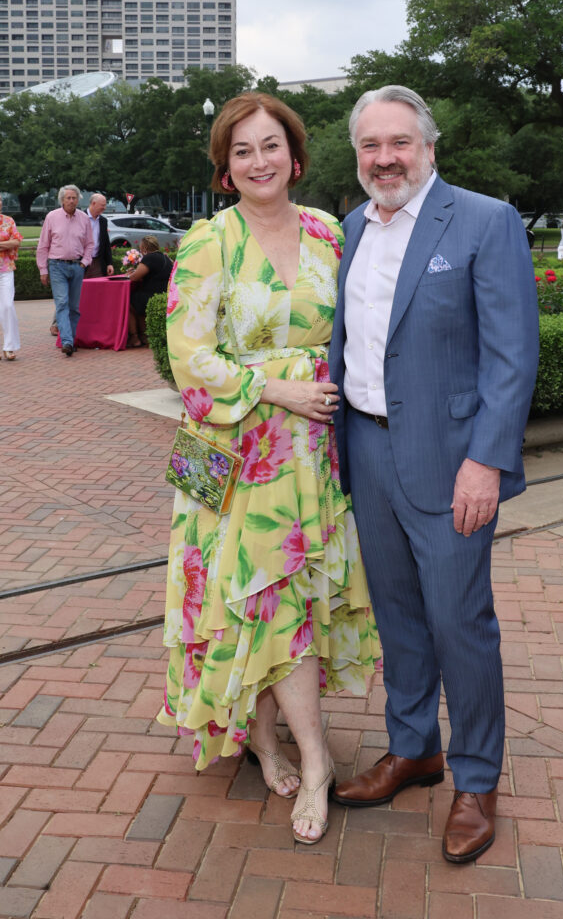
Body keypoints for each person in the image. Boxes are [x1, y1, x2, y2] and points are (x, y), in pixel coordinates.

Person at [157, 92, 379, 846]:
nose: (259, 162)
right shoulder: (207, 243)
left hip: (312, 457)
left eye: (270, 146)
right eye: (242, 152)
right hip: (235, 455)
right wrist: (273, 387)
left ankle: (277, 740)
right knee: (253, 600)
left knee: (286, 600)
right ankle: (305, 756)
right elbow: (188, 358)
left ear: (295, 154)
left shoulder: (328, 232)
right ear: (225, 169)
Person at [328, 86, 539, 864]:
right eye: (369, 147)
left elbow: (512, 358)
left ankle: (477, 778)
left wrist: (484, 461)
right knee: (397, 618)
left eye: (398, 143)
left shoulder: (484, 220)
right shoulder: (351, 226)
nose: (384, 159)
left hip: (452, 463)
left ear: (428, 146)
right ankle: (413, 749)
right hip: (367, 450)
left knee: (460, 624)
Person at [37, 185, 93, 356]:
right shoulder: (52, 217)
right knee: (62, 304)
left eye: (74, 198)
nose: (71, 201)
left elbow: (90, 244)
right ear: (62, 200)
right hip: (56, 266)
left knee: (74, 307)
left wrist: (84, 262)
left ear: (78, 200)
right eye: (68, 198)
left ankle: (70, 339)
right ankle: (67, 342)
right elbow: (43, 245)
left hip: (77, 266)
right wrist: (43, 270)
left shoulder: (84, 218)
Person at [125, 235, 173, 346]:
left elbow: (134, 278)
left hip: (151, 295)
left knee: (128, 303)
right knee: (137, 300)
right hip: (164, 294)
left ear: (144, 248)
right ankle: (144, 335)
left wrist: (130, 274)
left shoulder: (149, 258)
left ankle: (134, 337)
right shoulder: (165, 257)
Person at [0, 195, 22, 361]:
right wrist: (6, 243)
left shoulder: (9, 221)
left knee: (8, 306)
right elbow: (11, 241)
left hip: (6, 269)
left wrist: (6, 244)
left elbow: (17, 241)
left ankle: (9, 346)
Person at [84, 193, 114, 278]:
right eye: (102, 205)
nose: (104, 208)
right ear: (93, 203)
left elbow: (106, 244)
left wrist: (109, 263)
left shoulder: (103, 221)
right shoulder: (80, 217)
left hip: (97, 262)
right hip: (82, 262)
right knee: (81, 289)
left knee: (97, 289)